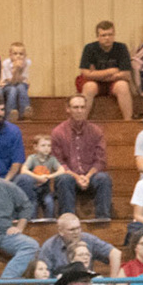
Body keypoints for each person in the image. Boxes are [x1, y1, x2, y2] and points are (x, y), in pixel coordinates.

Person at [49, 93, 114, 221]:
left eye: (82, 107)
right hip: (70, 176)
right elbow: (58, 162)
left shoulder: (96, 131)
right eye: (75, 107)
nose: (79, 111)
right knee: (64, 179)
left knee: (104, 178)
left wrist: (88, 176)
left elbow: (100, 160)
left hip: (91, 175)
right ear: (68, 109)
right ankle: (68, 220)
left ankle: (102, 220)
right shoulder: (58, 132)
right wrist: (77, 177)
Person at [74, 20, 136, 121]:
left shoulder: (121, 48)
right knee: (89, 86)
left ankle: (128, 122)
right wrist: (111, 71)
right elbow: (85, 73)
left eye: (110, 34)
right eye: (103, 35)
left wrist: (96, 74)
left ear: (114, 34)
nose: (107, 38)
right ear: (98, 36)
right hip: (94, 83)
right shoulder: (89, 48)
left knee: (123, 86)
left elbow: (126, 74)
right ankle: (81, 122)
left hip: (112, 83)